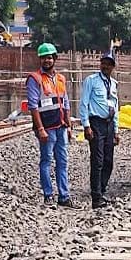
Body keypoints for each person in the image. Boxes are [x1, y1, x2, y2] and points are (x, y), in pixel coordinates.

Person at [27, 43, 81, 209]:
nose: (47, 61)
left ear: (55, 59)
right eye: (44, 58)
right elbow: (33, 106)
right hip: (47, 129)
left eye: (49, 57)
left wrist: (69, 126)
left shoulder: (60, 79)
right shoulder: (35, 79)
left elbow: (65, 103)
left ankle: (64, 197)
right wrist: (40, 129)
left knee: (62, 162)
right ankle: (48, 195)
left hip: (61, 127)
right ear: (40, 59)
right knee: (46, 161)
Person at [80, 52, 121, 208]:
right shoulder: (91, 81)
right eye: (104, 63)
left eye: (109, 64)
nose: (106, 66)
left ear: (113, 67)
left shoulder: (113, 84)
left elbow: (115, 107)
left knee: (108, 161)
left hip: (109, 124)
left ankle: (102, 190)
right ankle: (96, 197)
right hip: (96, 123)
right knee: (97, 160)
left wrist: (116, 130)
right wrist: (86, 125)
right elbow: (84, 103)